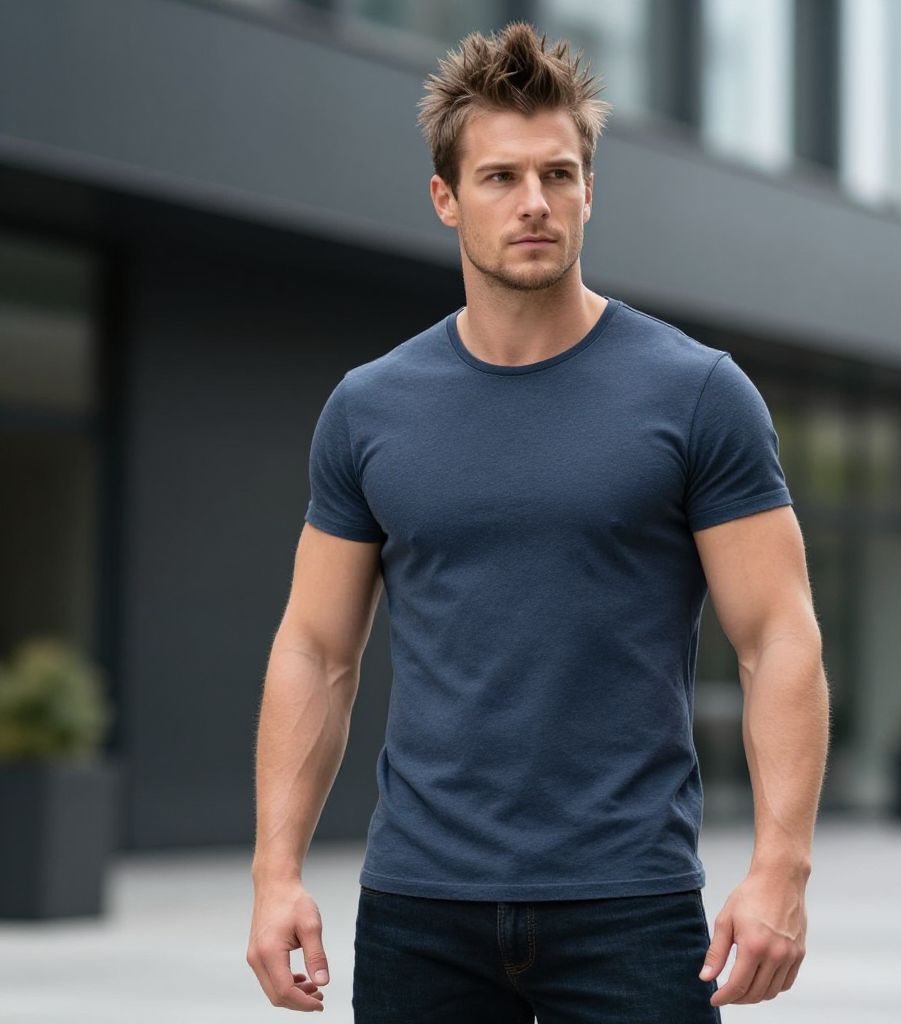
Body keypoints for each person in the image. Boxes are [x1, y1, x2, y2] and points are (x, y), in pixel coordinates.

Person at [247, 20, 831, 1022]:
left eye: (559, 175)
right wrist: (274, 872)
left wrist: (780, 870)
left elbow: (776, 638)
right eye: (501, 177)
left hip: (629, 906)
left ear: (590, 191)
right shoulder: (370, 407)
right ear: (445, 197)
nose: (534, 204)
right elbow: (315, 648)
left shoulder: (695, 394)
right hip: (419, 905)